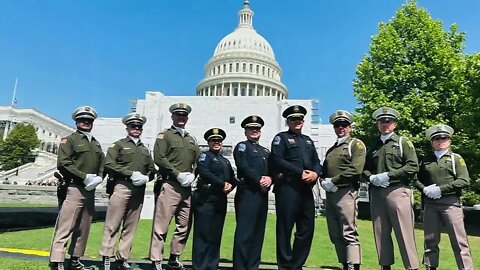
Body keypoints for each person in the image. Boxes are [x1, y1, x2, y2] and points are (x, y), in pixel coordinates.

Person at [49, 106, 105, 270]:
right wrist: (84, 176)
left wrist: (100, 177)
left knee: (83, 227)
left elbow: (102, 162)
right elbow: (64, 163)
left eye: (89, 120)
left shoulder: (96, 143)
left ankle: (75, 260)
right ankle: (58, 261)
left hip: (90, 190)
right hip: (74, 187)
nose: (85, 122)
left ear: (92, 122)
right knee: (65, 226)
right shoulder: (69, 140)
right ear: (76, 121)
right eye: (82, 119)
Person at [363, 107, 420, 270]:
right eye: (381, 121)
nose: (385, 124)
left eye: (388, 121)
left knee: (404, 232)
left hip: (397, 191)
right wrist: (371, 177)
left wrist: (389, 175)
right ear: (377, 125)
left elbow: (412, 166)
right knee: (380, 232)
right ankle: (385, 266)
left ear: (394, 124)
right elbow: (365, 168)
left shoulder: (403, 142)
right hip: (377, 192)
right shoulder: (373, 146)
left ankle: (412, 267)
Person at [100, 113, 156, 270]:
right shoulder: (118, 145)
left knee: (131, 226)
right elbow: (109, 164)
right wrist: (130, 174)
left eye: (139, 127)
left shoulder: (145, 149)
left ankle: (122, 257)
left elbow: (152, 169)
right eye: (133, 126)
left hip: (138, 190)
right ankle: (106, 256)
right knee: (113, 223)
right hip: (122, 186)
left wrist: (147, 177)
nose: (136, 129)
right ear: (127, 128)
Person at [415, 124, 474, 270]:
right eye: (437, 139)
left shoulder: (456, 159)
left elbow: (464, 180)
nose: (441, 141)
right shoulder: (425, 160)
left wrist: (441, 189)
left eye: (444, 138)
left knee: (459, 241)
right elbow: (415, 178)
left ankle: (466, 268)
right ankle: (430, 266)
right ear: (432, 142)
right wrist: (424, 189)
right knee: (430, 240)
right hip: (430, 204)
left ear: (449, 140)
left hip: (450, 203)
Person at [150, 102, 201, 270]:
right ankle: (156, 260)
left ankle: (174, 257)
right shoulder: (164, 135)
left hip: (186, 187)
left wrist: (194, 173)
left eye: (184, 115)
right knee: (161, 224)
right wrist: (177, 174)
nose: (181, 118)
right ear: (172, 116)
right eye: (178, 115)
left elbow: (198, 160)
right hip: (170, 184)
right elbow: (159, 158)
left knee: (184, 224)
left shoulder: (190, 139)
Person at [270, 105, 322, 269]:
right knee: (285, 228)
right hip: (288, 188)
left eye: (300, 119)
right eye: (293, 119)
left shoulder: (307, 140)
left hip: (306, 189)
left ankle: (296, 264)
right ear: (288, 121)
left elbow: (316, 162)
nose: (297, 121)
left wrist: (315, 174)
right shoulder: (281, 138)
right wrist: (300, 172)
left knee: (307, 228)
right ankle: (285, 265)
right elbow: (277, 160)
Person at [321, 110, 365, 270]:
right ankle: (344, 262)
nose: (341, 128)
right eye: (337, 125)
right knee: (334, 231)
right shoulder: (332, 149)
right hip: (331, 193)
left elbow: (356, 169)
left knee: (348, 230)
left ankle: (354, 264)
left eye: (344, 125)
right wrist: (323, 181)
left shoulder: (356, 144)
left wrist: (333, 181)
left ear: (350, 127)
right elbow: (324, 170)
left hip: (346, 192)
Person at [192, 128, 237, 270]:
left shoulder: (224, 160)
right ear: (208, 142)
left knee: (215, 235)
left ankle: (212, 265)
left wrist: (233, 185)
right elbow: (205, 173)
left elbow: (231, 177)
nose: (216, 143)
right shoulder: (205, 156)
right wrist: (222, 184)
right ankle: (200, 266)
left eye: (219, 141)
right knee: (203, 234)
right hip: (206, 199)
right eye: (214, 141)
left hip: (219, 200)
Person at [232, 115, 272, 270]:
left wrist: (270, 179)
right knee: (245, 232)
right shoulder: (242, 147)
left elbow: (272, 170)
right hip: (248, 192)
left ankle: (253, 266)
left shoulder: (265, 151)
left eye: (257, 129)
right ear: (246, 131)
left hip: (262, 195)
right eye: (251, 128)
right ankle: (240, 267)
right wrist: (259, 180)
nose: (254, 131)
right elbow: (243, 166)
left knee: (258, 233)